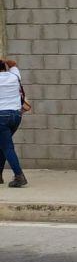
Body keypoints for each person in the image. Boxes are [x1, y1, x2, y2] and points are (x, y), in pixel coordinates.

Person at [0, 59, 30, 187]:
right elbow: (14, 63)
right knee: (3, 145)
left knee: (7, 147)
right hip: (16, 116)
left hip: (1, 116)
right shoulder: (14, 76)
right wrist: (5, 60)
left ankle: (19, 176)